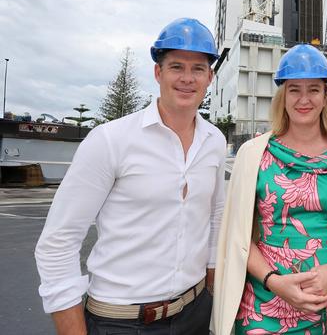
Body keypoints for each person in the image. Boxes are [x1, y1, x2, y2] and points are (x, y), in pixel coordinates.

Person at [35, 18, 226, 335]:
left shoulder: (214, 141)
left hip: (195, 313)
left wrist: (212, 271)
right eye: (176, 66)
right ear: (158, 73)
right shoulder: (110, 140)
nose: (187, 78)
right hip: (121, 321)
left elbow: (215, 212)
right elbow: (58, 243)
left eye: (198, 69)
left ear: (210, 77)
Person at [211, 44, 327, 334]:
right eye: (294, 89)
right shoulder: (253, 153)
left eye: (313, 90)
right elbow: (238, 235)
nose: (304, 99)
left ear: (326, 97)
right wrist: (275, 281)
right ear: (283, 97)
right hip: (266, 301)